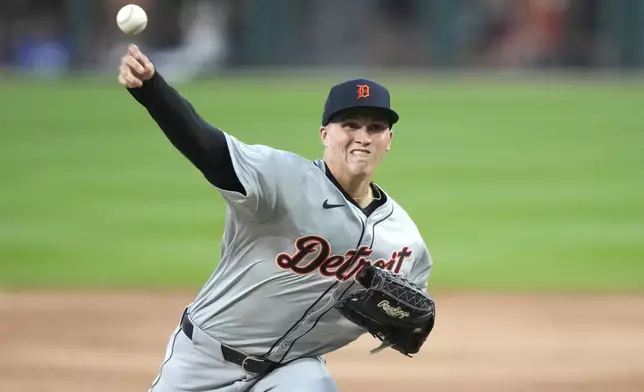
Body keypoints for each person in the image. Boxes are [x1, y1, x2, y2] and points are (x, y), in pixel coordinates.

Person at [119, 44, 434, 392]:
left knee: (314, 384)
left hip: (292, 371)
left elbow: (412, 314)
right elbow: (207, 148)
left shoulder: (405, 241)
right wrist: (153, 91)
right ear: (325, 134)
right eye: (350, 125)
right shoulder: (280, 179)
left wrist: (408, 327)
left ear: (388, 139)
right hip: (204, 362)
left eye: (375, 127)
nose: (363, 137)